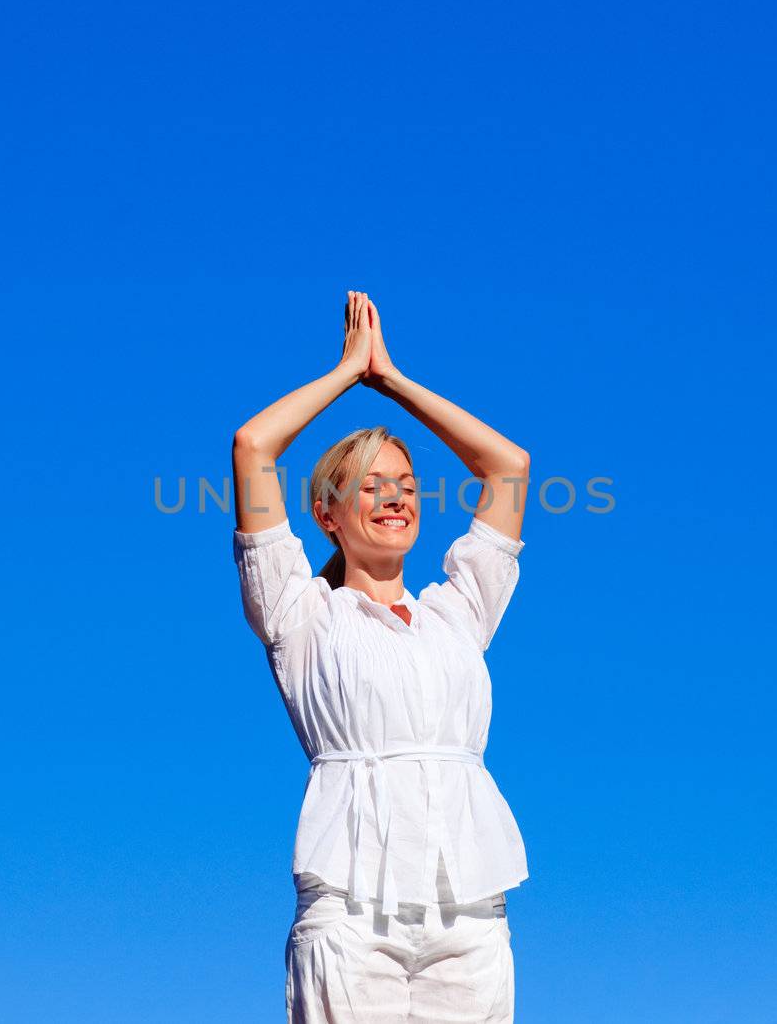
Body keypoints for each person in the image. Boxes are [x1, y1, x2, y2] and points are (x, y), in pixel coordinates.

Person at [232, 290, 532, 1024]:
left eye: (406, 486)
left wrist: (391, 377)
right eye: (372, 485)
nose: (396, 498)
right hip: (350, 906)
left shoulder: (457, 611)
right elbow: (253, 446)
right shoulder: (300, 615)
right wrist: (346, 373)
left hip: (470, 907)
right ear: (327, 515)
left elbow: (509, 465)